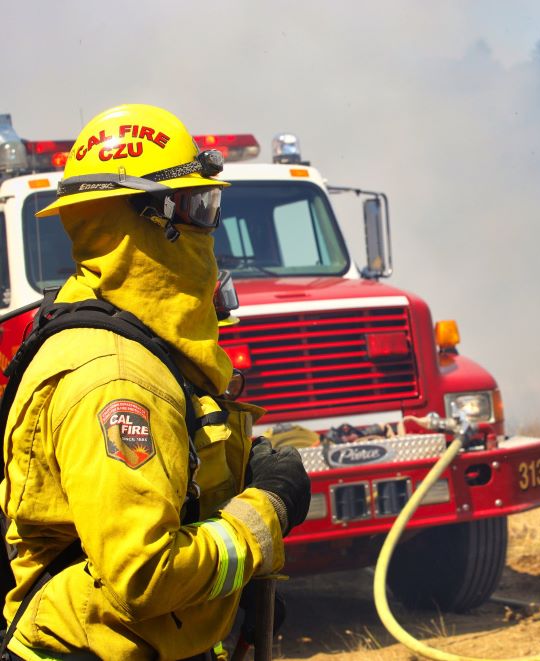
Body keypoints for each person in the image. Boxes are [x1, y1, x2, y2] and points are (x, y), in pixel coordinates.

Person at [0, 104, 310, 660]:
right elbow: (145, 575)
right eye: (200, 206)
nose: (209, 228)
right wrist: (267, 510)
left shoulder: (132, 343)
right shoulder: (116, 380)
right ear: (147, 222)